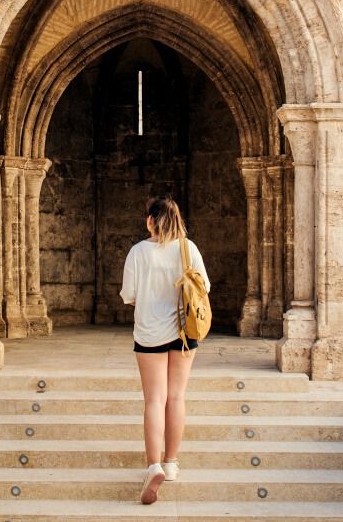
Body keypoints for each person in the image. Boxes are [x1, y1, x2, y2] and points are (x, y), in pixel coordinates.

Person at [120, 195, 211, 505]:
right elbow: (204, 288)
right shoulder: (189, 248)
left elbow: (129, 295)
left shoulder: (137, 253)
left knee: (154, 400)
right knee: (177, 397)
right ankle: (171, 463)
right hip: (184, 333)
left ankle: (153, 465)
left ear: (150, 221)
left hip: (148, 335)